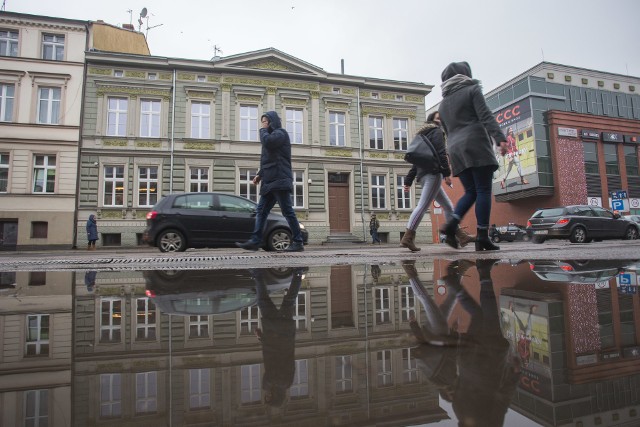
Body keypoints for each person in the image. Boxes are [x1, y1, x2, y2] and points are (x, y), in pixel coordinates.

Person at [438, 61, 508, 251]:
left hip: (455, 149)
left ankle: (452, 223)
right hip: (476, 143)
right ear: (465, 74)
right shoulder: (472, 90)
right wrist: (500, 138)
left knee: (471, 192)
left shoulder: (442, 105)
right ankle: (483, 236)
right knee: (483, 190)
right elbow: (485, 115)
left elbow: (446, 131)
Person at [401, 111, 474, 252]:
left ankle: (461, 236)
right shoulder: (437, 132)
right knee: (422, 206)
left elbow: (417, 162)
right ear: (433, 121)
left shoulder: (423, 135)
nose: (441, 120)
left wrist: (408, 180)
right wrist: (446, 173)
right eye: (438, 118)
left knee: (448, 206)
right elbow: (441, 153)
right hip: (433, 174)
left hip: (425, 175)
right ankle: (408, 237)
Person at [235, 111, 304, 252]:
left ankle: (298, 241)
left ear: (271, 122)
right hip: (269, 180)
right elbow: (270, 158)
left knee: (287, 211)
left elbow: (268, 142)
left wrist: (262, 130)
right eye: (262, 122)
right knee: (261, 210)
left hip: (279, 179)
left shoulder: (280, 134)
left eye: (265, 121)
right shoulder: (272, 136)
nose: (263, 124)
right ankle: (256, 240)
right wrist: (260, 174)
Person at [253, 267, 305, 407]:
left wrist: (262, 339)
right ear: (274, 396)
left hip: (284, 334)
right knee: (264, 301)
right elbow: (273, 361)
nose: (266, 394)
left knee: (288, 300)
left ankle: (298, 274)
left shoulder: (287, 382)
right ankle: (258, 273)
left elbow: (276, 358)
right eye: (268, 397)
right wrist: (263, 338)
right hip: (276, 333)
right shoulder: (279, 382)